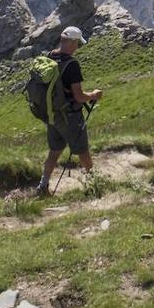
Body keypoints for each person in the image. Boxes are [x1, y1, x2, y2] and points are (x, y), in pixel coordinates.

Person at [37, 26, 102, 196]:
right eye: (78, 44)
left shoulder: (50, 57)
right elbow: (79, 97)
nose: (78, 48)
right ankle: (94, 183)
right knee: (82, 150)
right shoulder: (72, 64)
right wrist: (94, 95)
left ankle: (42, 186)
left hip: (52, 115)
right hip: (70, 116)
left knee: (54, 151)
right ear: (72, 42)